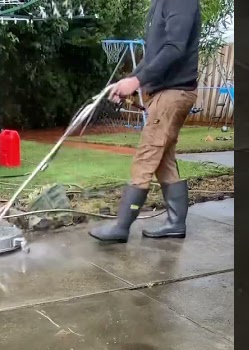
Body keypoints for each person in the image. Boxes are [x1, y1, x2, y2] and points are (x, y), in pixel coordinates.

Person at [90, 0, 201, 243]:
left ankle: (122, 226)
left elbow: (174, 48)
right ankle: (175, 222)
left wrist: (137, 81)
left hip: (173, 92)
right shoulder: (161, 3)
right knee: (164, 158)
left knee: (147, 154)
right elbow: (154, 56)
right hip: (164, 93)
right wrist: (130, 80)